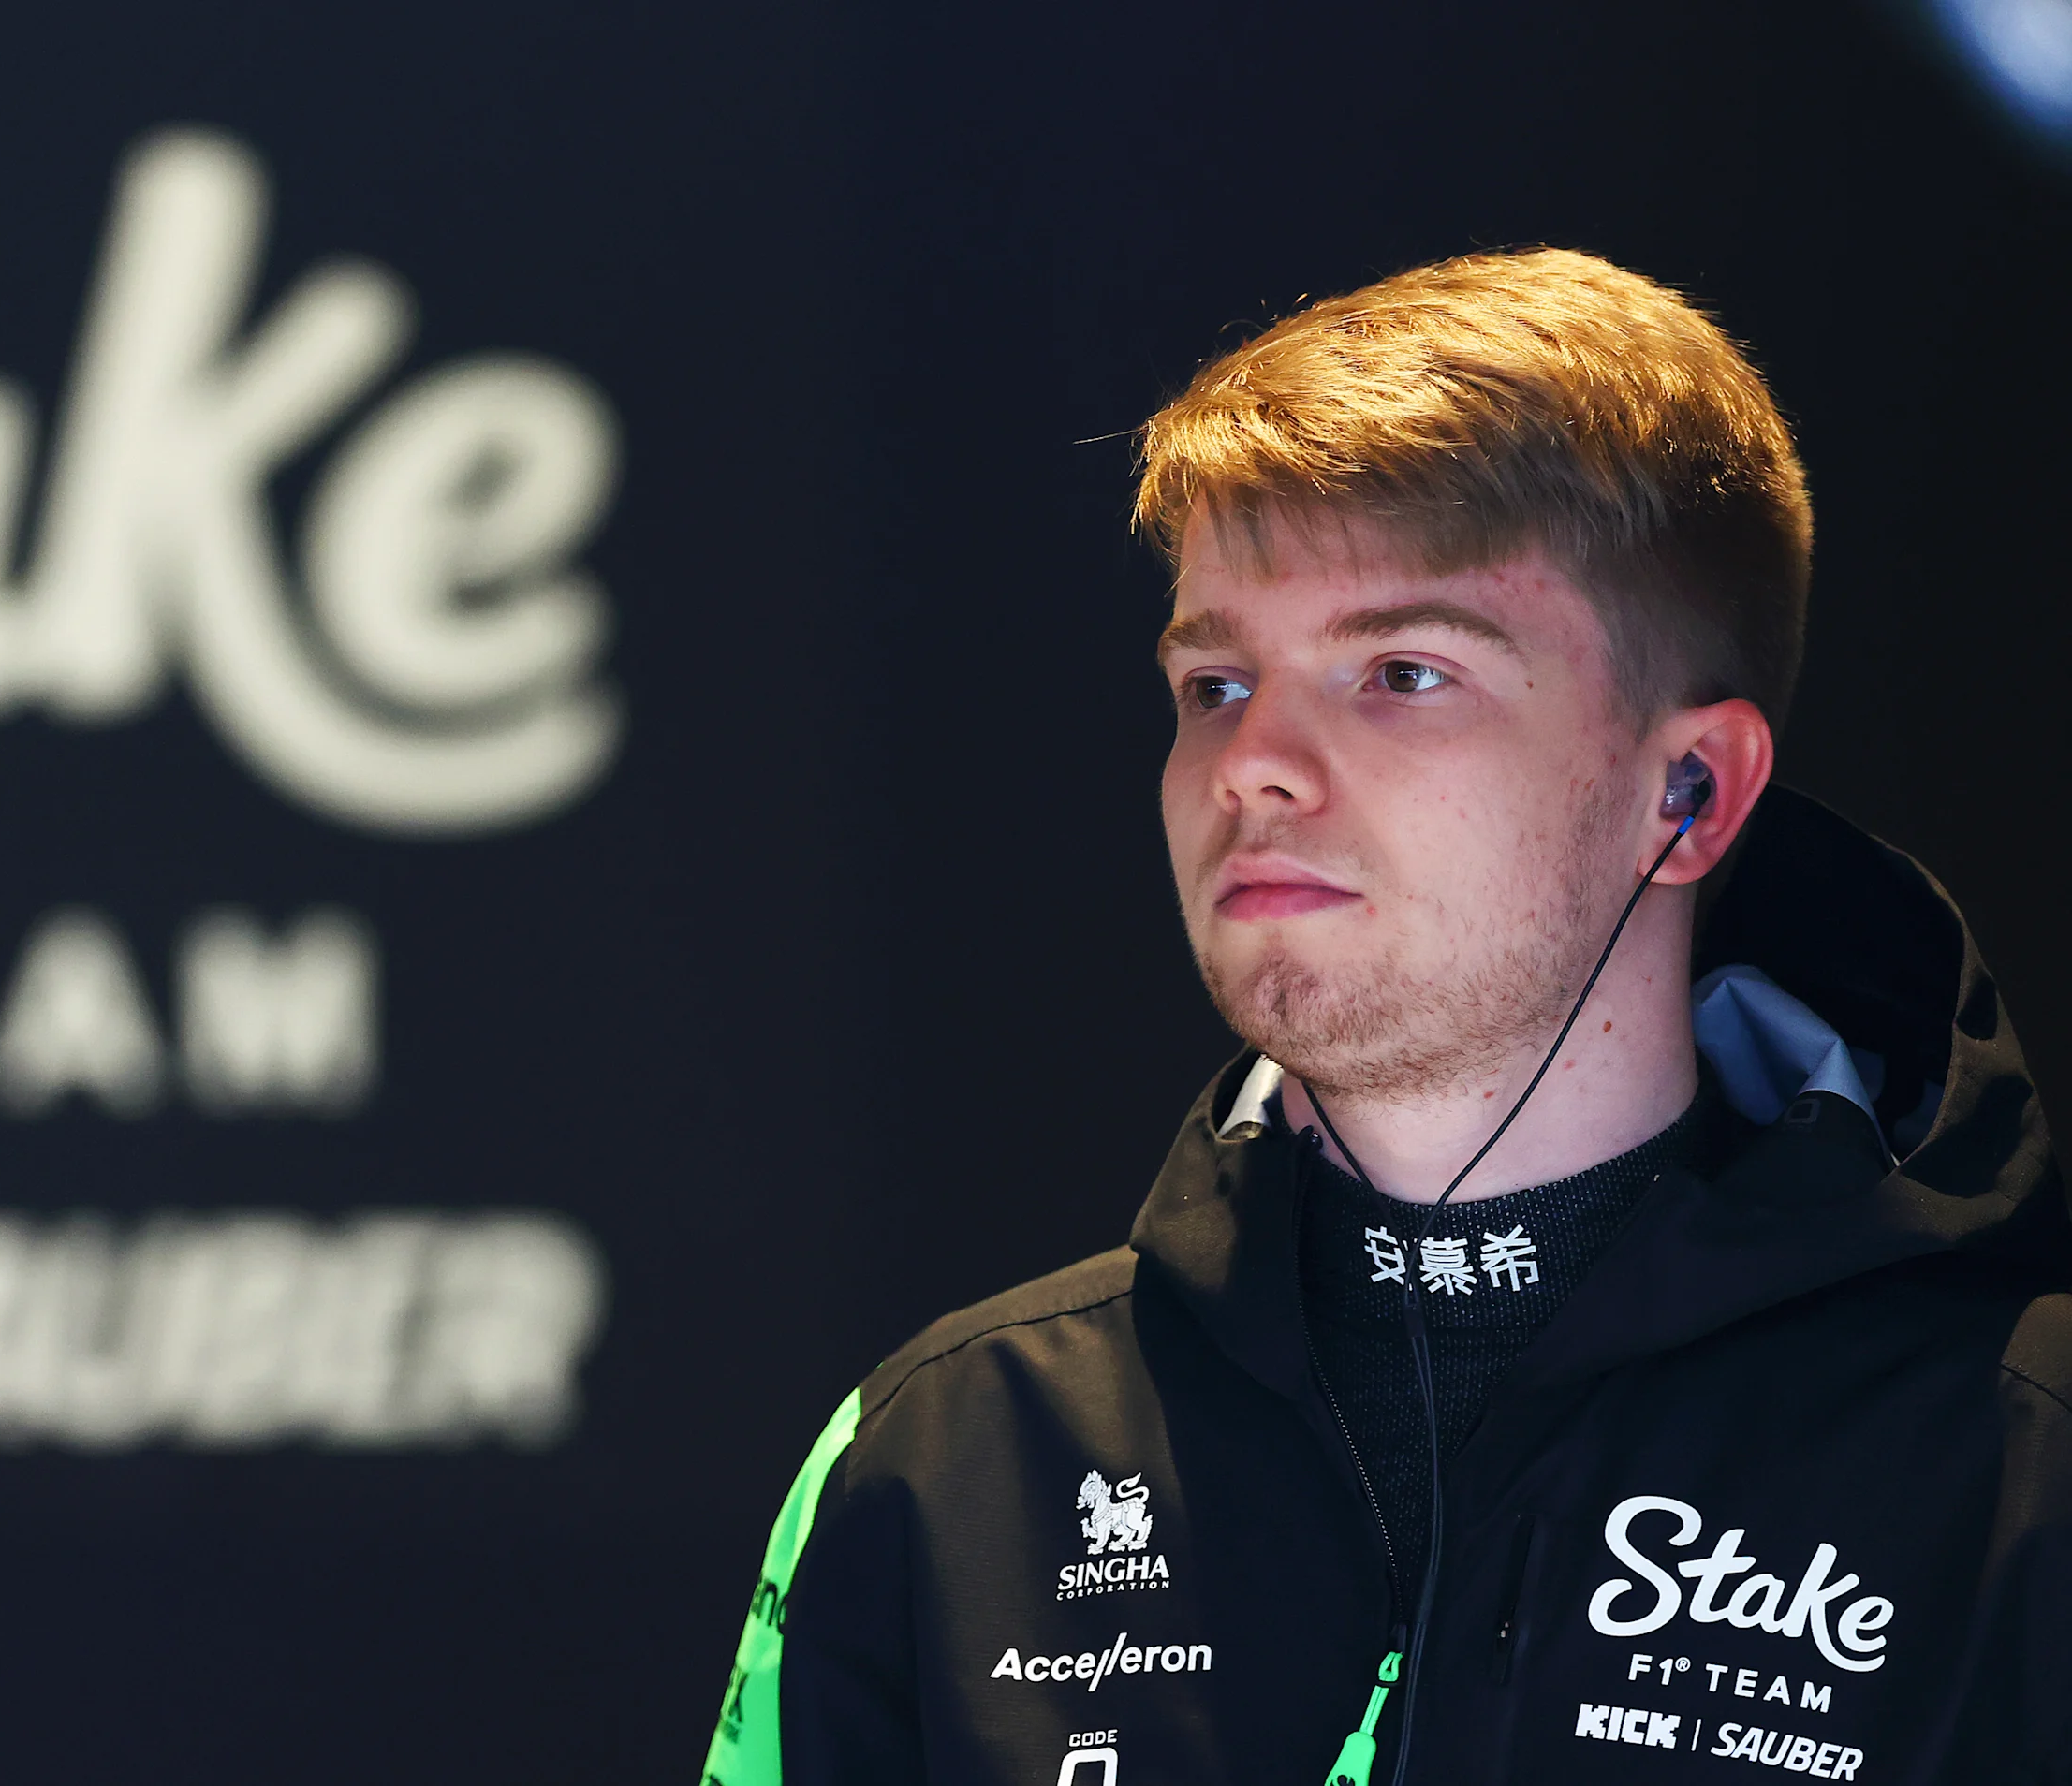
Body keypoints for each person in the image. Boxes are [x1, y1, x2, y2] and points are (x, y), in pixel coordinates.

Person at [700, 249, 2070, 1785]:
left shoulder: (2024, 1463)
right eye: (1214, 684)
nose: (1254, 767)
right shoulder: (949, 1453)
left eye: (1402, 673)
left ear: (1687, 794)